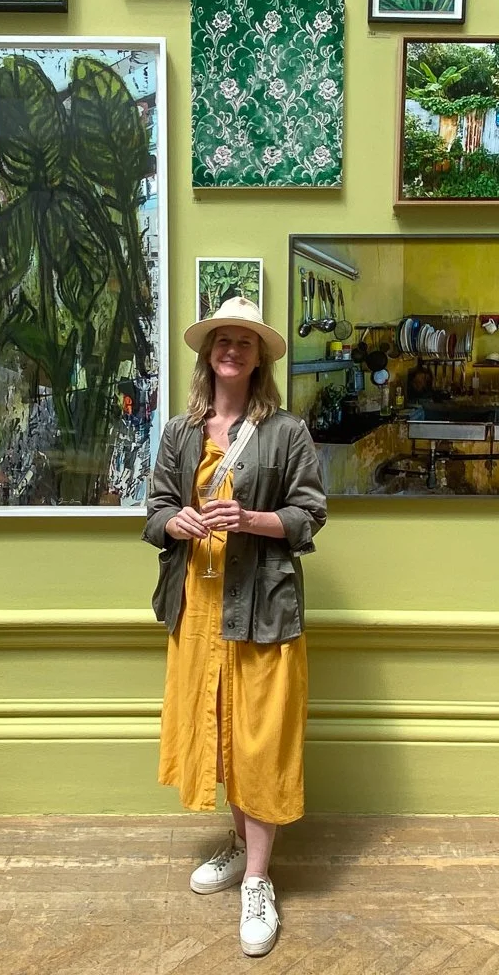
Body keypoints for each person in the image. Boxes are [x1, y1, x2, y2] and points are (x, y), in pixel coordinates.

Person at [143, 296, 327, 958]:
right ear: (208, 354)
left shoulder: (286, 433)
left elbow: (310, 515)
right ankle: (239, 842)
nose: (231, 350)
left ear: (258, 358)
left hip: (265, 609)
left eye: (243, 342)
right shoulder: (178, 432)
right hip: (199, 607)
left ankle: (256, 878)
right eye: (222, 340)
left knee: (261, 742)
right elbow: (155, 510)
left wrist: (249, 521)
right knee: (220, 734)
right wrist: (179, 522)